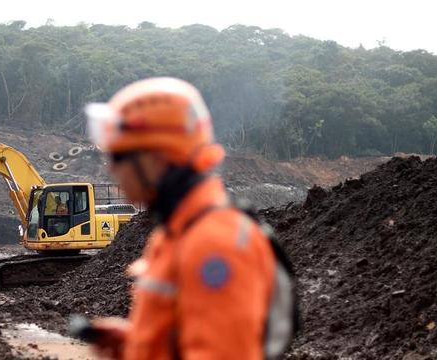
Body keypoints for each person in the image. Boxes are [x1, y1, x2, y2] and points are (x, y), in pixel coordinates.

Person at [84, 77, 295, 359]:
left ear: (156, 159)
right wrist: (136, 345)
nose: (110, 168)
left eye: (118, 155)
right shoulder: (177, 232)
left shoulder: (214, 244)